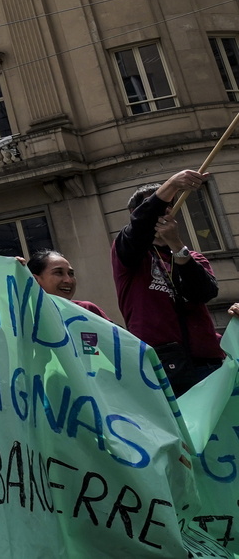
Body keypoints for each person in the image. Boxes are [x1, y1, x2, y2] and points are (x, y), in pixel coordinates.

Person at [114, 169, 222, 395]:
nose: (163, 212)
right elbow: (140, 225)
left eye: (169, 207)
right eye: (157, 207)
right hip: (162, 361)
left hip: (206, 360)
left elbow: (204, 292)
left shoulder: (192, 255)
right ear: (137, 213)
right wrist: (172, 184)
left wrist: (176, 245)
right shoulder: (129, 252)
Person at [26, 250, 106, 317]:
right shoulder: (22, 318)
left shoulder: (88, 310)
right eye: (58, 273)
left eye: (71, 274)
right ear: (35, 280)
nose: (68, 280)